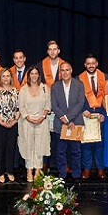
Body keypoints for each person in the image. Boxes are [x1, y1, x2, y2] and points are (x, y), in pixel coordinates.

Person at [50, 62, 86, 181]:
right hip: (60, 124)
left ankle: (76, 174)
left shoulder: (79, 84)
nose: (65, 73)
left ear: (71, 71)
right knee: (60, 151)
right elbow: (54, 106)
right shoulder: (55, 87)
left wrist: (69, 118)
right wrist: (65, 119)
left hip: (75, 123)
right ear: (60, 72)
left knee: (76, 151)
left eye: (67, 70)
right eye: (62, 70)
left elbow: (80, 103)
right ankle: (62, 174)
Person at [17, 65, 51, 182]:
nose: (34, 76)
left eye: (36, 73)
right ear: (28, 75)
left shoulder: (45, 88)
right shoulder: (23, 89)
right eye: (32, 74)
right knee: (28, 146)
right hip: (27, 122)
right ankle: (29, 170)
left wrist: (42, 117)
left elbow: (48, 105)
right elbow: (21, 107)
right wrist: (29, 118)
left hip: (42, 122)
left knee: (39, 147)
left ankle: (38, 170)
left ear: (39, 75)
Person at [38, 40, 68, 171]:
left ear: (59, 51)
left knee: (62, 136)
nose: (52, 51)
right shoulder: (40, 66)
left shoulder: (65, 66)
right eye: (50, 49)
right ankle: (45, 163)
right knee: (45, 137)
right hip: (45, 106)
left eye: (55, 49)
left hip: (61, 107)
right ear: (47, 51)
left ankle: (63, 164)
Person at [78, 53, 107, 180]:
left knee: (100, 144)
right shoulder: (79, 78)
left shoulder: (105, 77)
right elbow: (76, 99)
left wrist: (105, 114)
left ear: (97, 64)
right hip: (86, 115)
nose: (91, 65)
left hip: (100, 115)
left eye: (93, 63)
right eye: (88, 63)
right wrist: (82, 111)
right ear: (85, 65)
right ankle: (87, 168)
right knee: (86, 144)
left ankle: (100, 169)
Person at [0, 68, 20, 183]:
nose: (6, 78)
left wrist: (15, 120)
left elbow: (18, 108)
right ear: (0, 78)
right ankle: (1, 172)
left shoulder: (16, 91)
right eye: (4, 76)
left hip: (13, 124)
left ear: (11, 78)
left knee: (11, 148)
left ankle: (10, 171)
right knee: (0, 149)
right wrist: (2, 122)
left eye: (8, 76)